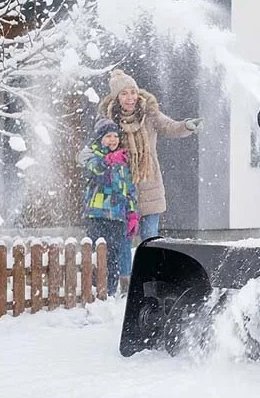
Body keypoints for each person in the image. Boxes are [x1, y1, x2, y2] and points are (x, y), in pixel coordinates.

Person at [95, 69, 202, 293]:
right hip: (123, 188)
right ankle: (126, 287)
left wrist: (187, 126)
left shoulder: (150, 114)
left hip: (149, 183)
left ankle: (151, 284)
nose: (130, 98)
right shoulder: (108, 119)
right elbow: (100, 145)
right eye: (124, 93)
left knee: (150, 239)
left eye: (133, 92)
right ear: (117, 97)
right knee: (125, 240)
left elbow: (170, 127)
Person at [82, 118, 139, 297]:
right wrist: (108, 160)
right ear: (100, 138)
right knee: (96, 255)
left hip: (117, 216)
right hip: (97, 215)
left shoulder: (122, 161)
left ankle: (110, 291)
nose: (113, 140)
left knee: (114, 255)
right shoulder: (93, 155)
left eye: (115, 136)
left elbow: (129, 189)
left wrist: (132, 214)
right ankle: (92, 290)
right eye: (108, 136)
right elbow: (95, 169)